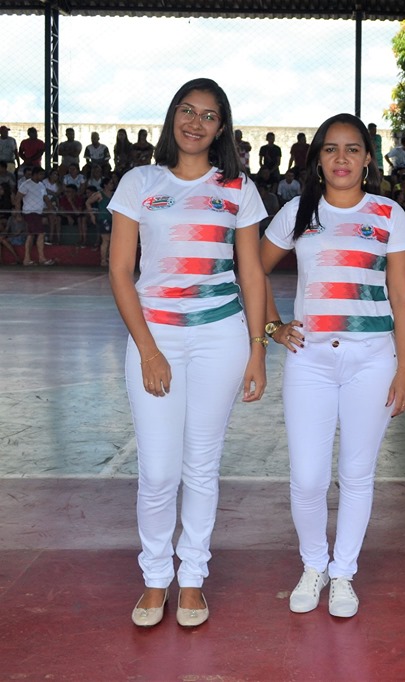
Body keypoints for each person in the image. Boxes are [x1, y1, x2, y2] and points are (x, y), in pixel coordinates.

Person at [108, 77, 267, 629]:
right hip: (155, 337)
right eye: (186, 110)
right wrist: (149, 350)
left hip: (220, 337)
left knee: (201, 465)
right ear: (172, 117)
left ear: (221, 127)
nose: (195, 122)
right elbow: (120, 271)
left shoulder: (238, 188)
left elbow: (250, 273)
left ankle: (192, 578)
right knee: (156, 471)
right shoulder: (139, 182)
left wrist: (256, 350)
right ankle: (155, 579)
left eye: (208, 115)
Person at [259, 113, 405, 620]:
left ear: (369, 157)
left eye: (353, 149)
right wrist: (272, 328)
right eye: (331, 149)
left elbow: (404, 297)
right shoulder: (297, 211)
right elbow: (253, 268)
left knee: (356, 473)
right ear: (317, 158)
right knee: (307, 478)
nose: (342, 158)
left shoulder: (390, 213)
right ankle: (313, 565)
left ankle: (343, 572)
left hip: (372, 359)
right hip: (310, 360)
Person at [14, 166, 54, 265]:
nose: (42, 176)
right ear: (35, 174)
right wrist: (18, 214)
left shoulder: (41, 185)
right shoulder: (26, 184)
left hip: (39, 213)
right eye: (41, 174)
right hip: (30, 212)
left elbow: (46, 198)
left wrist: (51, 209)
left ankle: (29, 259)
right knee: (39, 234)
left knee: (31, 235)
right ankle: (39, 258)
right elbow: (17, 199)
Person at [86, 174, 115, 266]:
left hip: (113, 219)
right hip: (103, 218)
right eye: (110, 183)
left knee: (111, 240)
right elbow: (88, 202)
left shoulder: (114, 194)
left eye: (112, 183)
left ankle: (108, 258)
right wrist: (92, 215)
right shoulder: (99, 194)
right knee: (106, 239)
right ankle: (103, 260)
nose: (112, 185)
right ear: (105, 185)